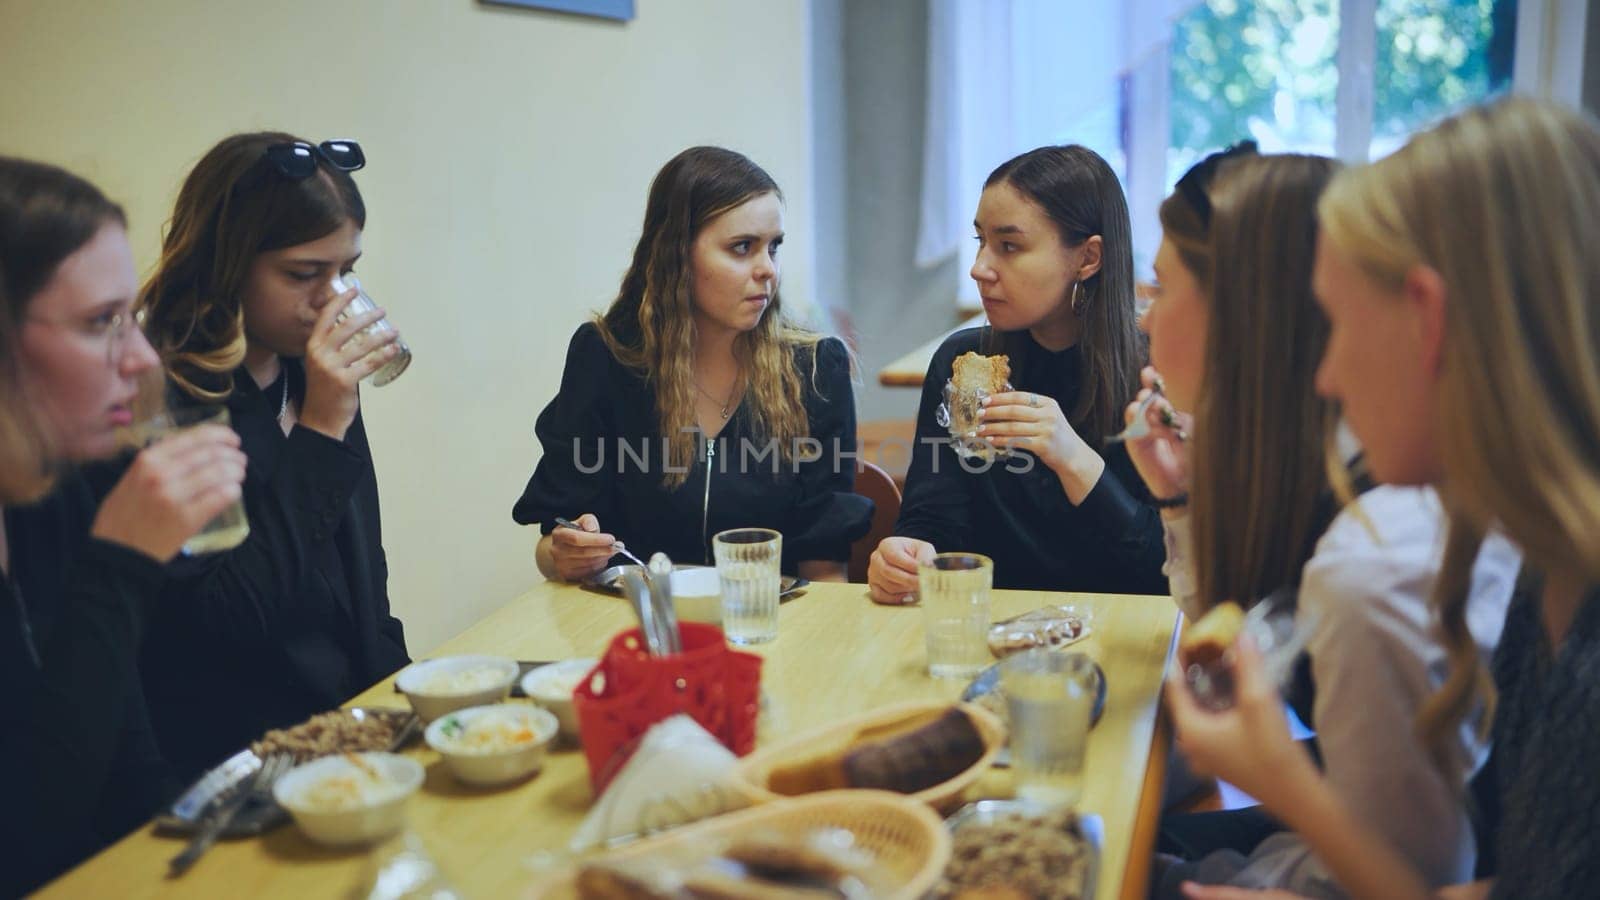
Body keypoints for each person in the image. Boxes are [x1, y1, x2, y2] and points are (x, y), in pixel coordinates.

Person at [1168, 98, 1600, 900]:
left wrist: (1284, 784)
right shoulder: (1551, 577)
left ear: (1429, 321)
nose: (1324, 375)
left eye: (1334, 324)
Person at [1128, 150, 1517, 898]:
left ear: (1242, 320)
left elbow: (1424, 871)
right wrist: (1180, 505)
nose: (1144, 315)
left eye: (1160, 287)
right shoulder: (1310, 470)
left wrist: (1270, 784)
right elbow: (1239, 650)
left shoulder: (1376, 555)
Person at [0, 156, 246, 894]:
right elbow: (23, 841)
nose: (142, 359)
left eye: (129, 318)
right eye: (101, 323)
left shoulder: (53, 487)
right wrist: (122, 565)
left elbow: (132, 768)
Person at [136, 132, 410, 779]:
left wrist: (403, 697)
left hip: (354, 727)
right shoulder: (166, 391)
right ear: (227, 261)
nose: (332, 299)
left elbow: (360, 571)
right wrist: (319, 429)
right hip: (241, 760)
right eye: (302, 274)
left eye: (346, 270)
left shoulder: (305, 364)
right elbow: (223, 621)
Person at [514, 146, 870, 581]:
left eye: (773, 248)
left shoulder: (814, 370)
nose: (768, 271)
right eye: (742, 248)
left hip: (766, 627)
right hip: (638, 625)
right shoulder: (606, 358)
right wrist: (566, 553)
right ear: (677, 256)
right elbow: (553, 545)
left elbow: (824, 571)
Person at [869, 145, 1165, 599]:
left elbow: (1162, 570)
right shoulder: (963, 363)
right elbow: (932, 522)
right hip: (987, 633)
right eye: (981, 242)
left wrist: (1074, 459)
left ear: (1088, 258)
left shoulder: (1156, 374)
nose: (979, 268)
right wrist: (907, 555)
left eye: (1009, 246)